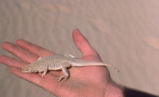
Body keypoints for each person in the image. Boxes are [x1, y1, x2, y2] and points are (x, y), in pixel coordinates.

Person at [0, 29, 158, 97]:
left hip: (66, 62)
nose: (29, 70)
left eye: (28, 70)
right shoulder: (39, 64)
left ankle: (66, 73)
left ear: (33, 68)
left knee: (65, 68)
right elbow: (43, 63)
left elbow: (44, 65)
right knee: (63, 62)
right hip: (65, 58)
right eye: (29, 70)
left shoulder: (41, 66)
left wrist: (63, 74)